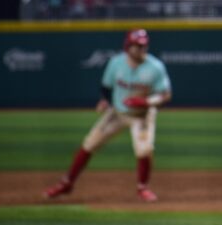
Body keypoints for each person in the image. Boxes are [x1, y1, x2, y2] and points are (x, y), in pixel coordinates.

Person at [44, 29, 173, 202]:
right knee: (89, 144)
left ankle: (143, 187)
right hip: (118, 112)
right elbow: (106, 87)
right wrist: (105, 100)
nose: (142, 49)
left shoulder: (155, 67)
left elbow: (165, 95)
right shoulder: (116, 63)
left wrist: (146, 102)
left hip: (142, 115)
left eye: (144, 45)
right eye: (138, 46)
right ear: (128, 47)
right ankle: (67, 183)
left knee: (144, 150)